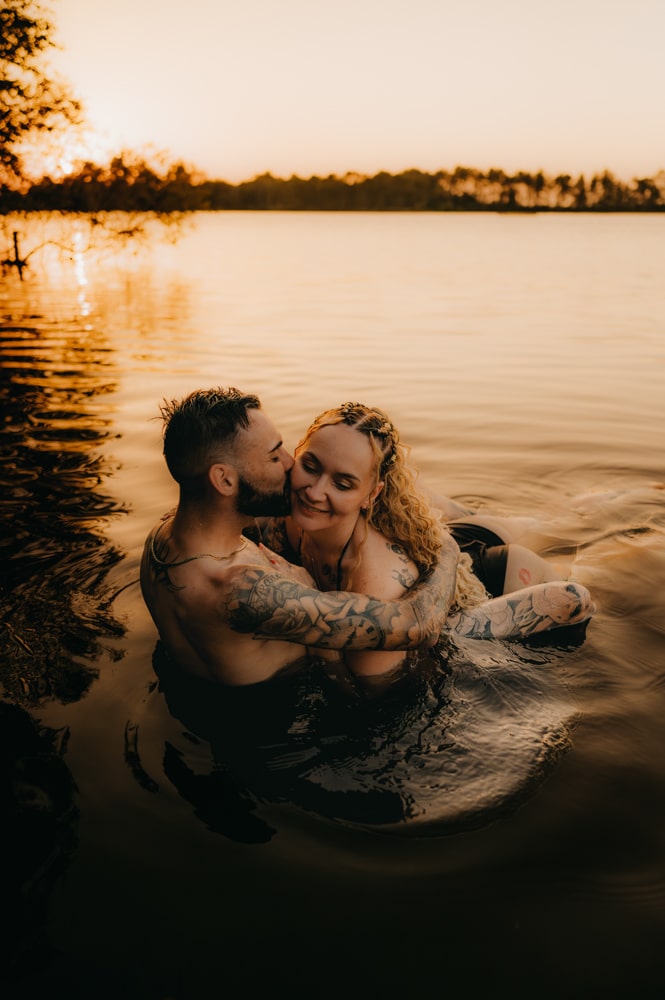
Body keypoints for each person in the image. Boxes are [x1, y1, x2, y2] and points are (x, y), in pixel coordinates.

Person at [256, 401, 595, 687]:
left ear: (371, 495)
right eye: (310, 465)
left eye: (343, 484)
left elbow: (375, 693)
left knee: (579, 537)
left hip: (500, 574)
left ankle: (620, 504)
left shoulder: (376, 581)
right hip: (445, 539)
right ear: (297, 454)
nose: (314, 492)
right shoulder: (284, 509)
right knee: (546, 521)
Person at [140, 387, 460, 688]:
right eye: (273, 455)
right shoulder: (244, 592)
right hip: (281, 726)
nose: (290, 462)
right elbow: (418, 625)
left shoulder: (161, 540)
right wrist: (447, 550)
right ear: (223, 479)